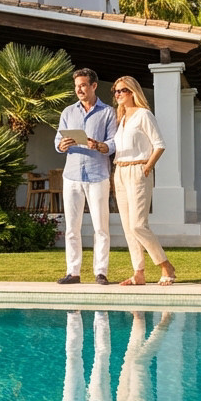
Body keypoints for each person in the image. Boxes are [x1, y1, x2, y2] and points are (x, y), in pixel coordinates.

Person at [110, 75, 177, 286]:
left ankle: (166, 265)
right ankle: (138, 272)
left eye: (122, 90)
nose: (118, 94)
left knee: (138, 225)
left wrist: (148, 166)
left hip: (139, 170)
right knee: (128, 227)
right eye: (116, 91)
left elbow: (159, 144)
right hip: (119, 171)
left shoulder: (143, 115)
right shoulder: (120, 119)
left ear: (132, 92)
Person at [54, 68, 117, 285]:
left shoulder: (108, 112)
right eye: (76, 86)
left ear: (94, 86)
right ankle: (73, 272)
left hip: (98, 175)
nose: (79, 89)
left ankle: (101, 272)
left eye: (82, 85)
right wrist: (62, 145)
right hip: (71, 176)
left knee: (101, 227)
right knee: (72, 227)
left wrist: (98, 146)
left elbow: (113, 143)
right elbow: (57, 142)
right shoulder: (68, 112)